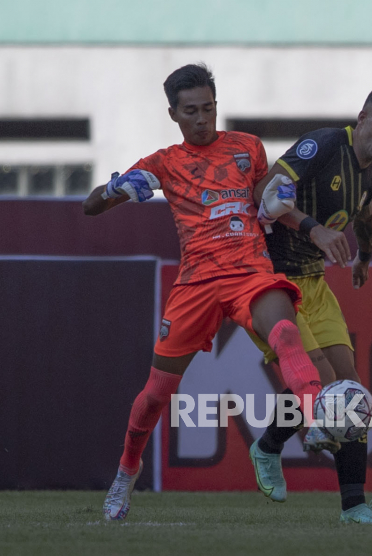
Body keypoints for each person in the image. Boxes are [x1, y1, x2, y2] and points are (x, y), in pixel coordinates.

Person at [83, 63, 323, 522]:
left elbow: (263, 199)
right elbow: (90, 207)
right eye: (190, 111)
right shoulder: (163, 162)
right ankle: (125, 475)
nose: (202, 118)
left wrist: (276, 196)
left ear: (217, 104)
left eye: (208, 108)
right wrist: (116, 187)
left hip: (249, 273)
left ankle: (316, 420)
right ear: (173, 114)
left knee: (286, 333)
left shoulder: (247, 146)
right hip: (195, 284)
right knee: (156, 393)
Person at [247, 86, 372, 525]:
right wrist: (314, 229)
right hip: (270, 280)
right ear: (361, 118)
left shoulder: (369, 175)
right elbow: (264, 190)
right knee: (320, 376)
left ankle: (354, 506)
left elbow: (369, 215)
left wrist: (365, 258)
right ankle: (268, 447)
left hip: (314, 283)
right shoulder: (322, 145)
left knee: (352, 391)